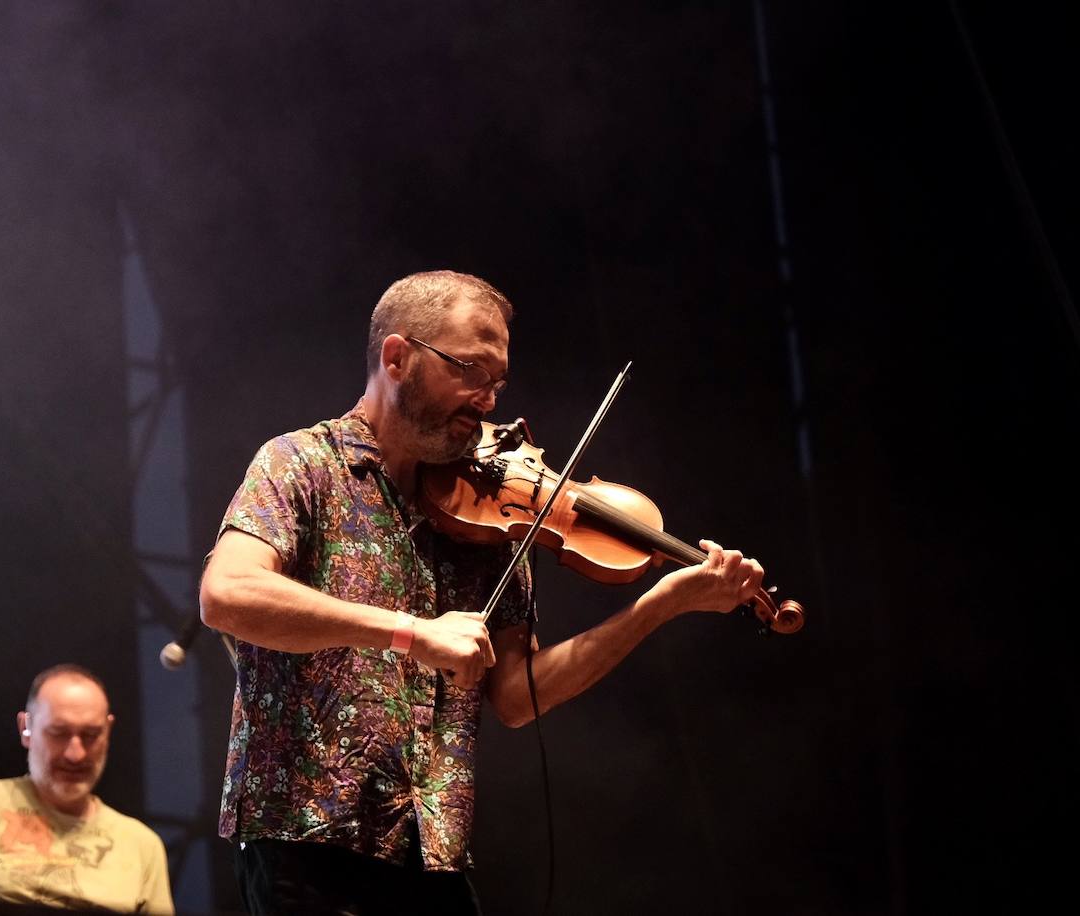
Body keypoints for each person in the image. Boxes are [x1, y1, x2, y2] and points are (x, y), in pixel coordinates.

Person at [199, 269, 767, 915]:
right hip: (307, 840)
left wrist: (658, 606)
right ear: (398, 356)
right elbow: (229, 594)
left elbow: (519, 697)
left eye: (496, 381)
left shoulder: (488, 518)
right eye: (469, 371)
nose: (488, 400)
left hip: (433, 850)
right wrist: (410, 632)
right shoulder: (303, 464)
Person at [0, 664, 175, 914]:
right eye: (58, 733)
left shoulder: (142, 844)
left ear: (108, 730)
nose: (75, 754)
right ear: (26, 728)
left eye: (91, 735)